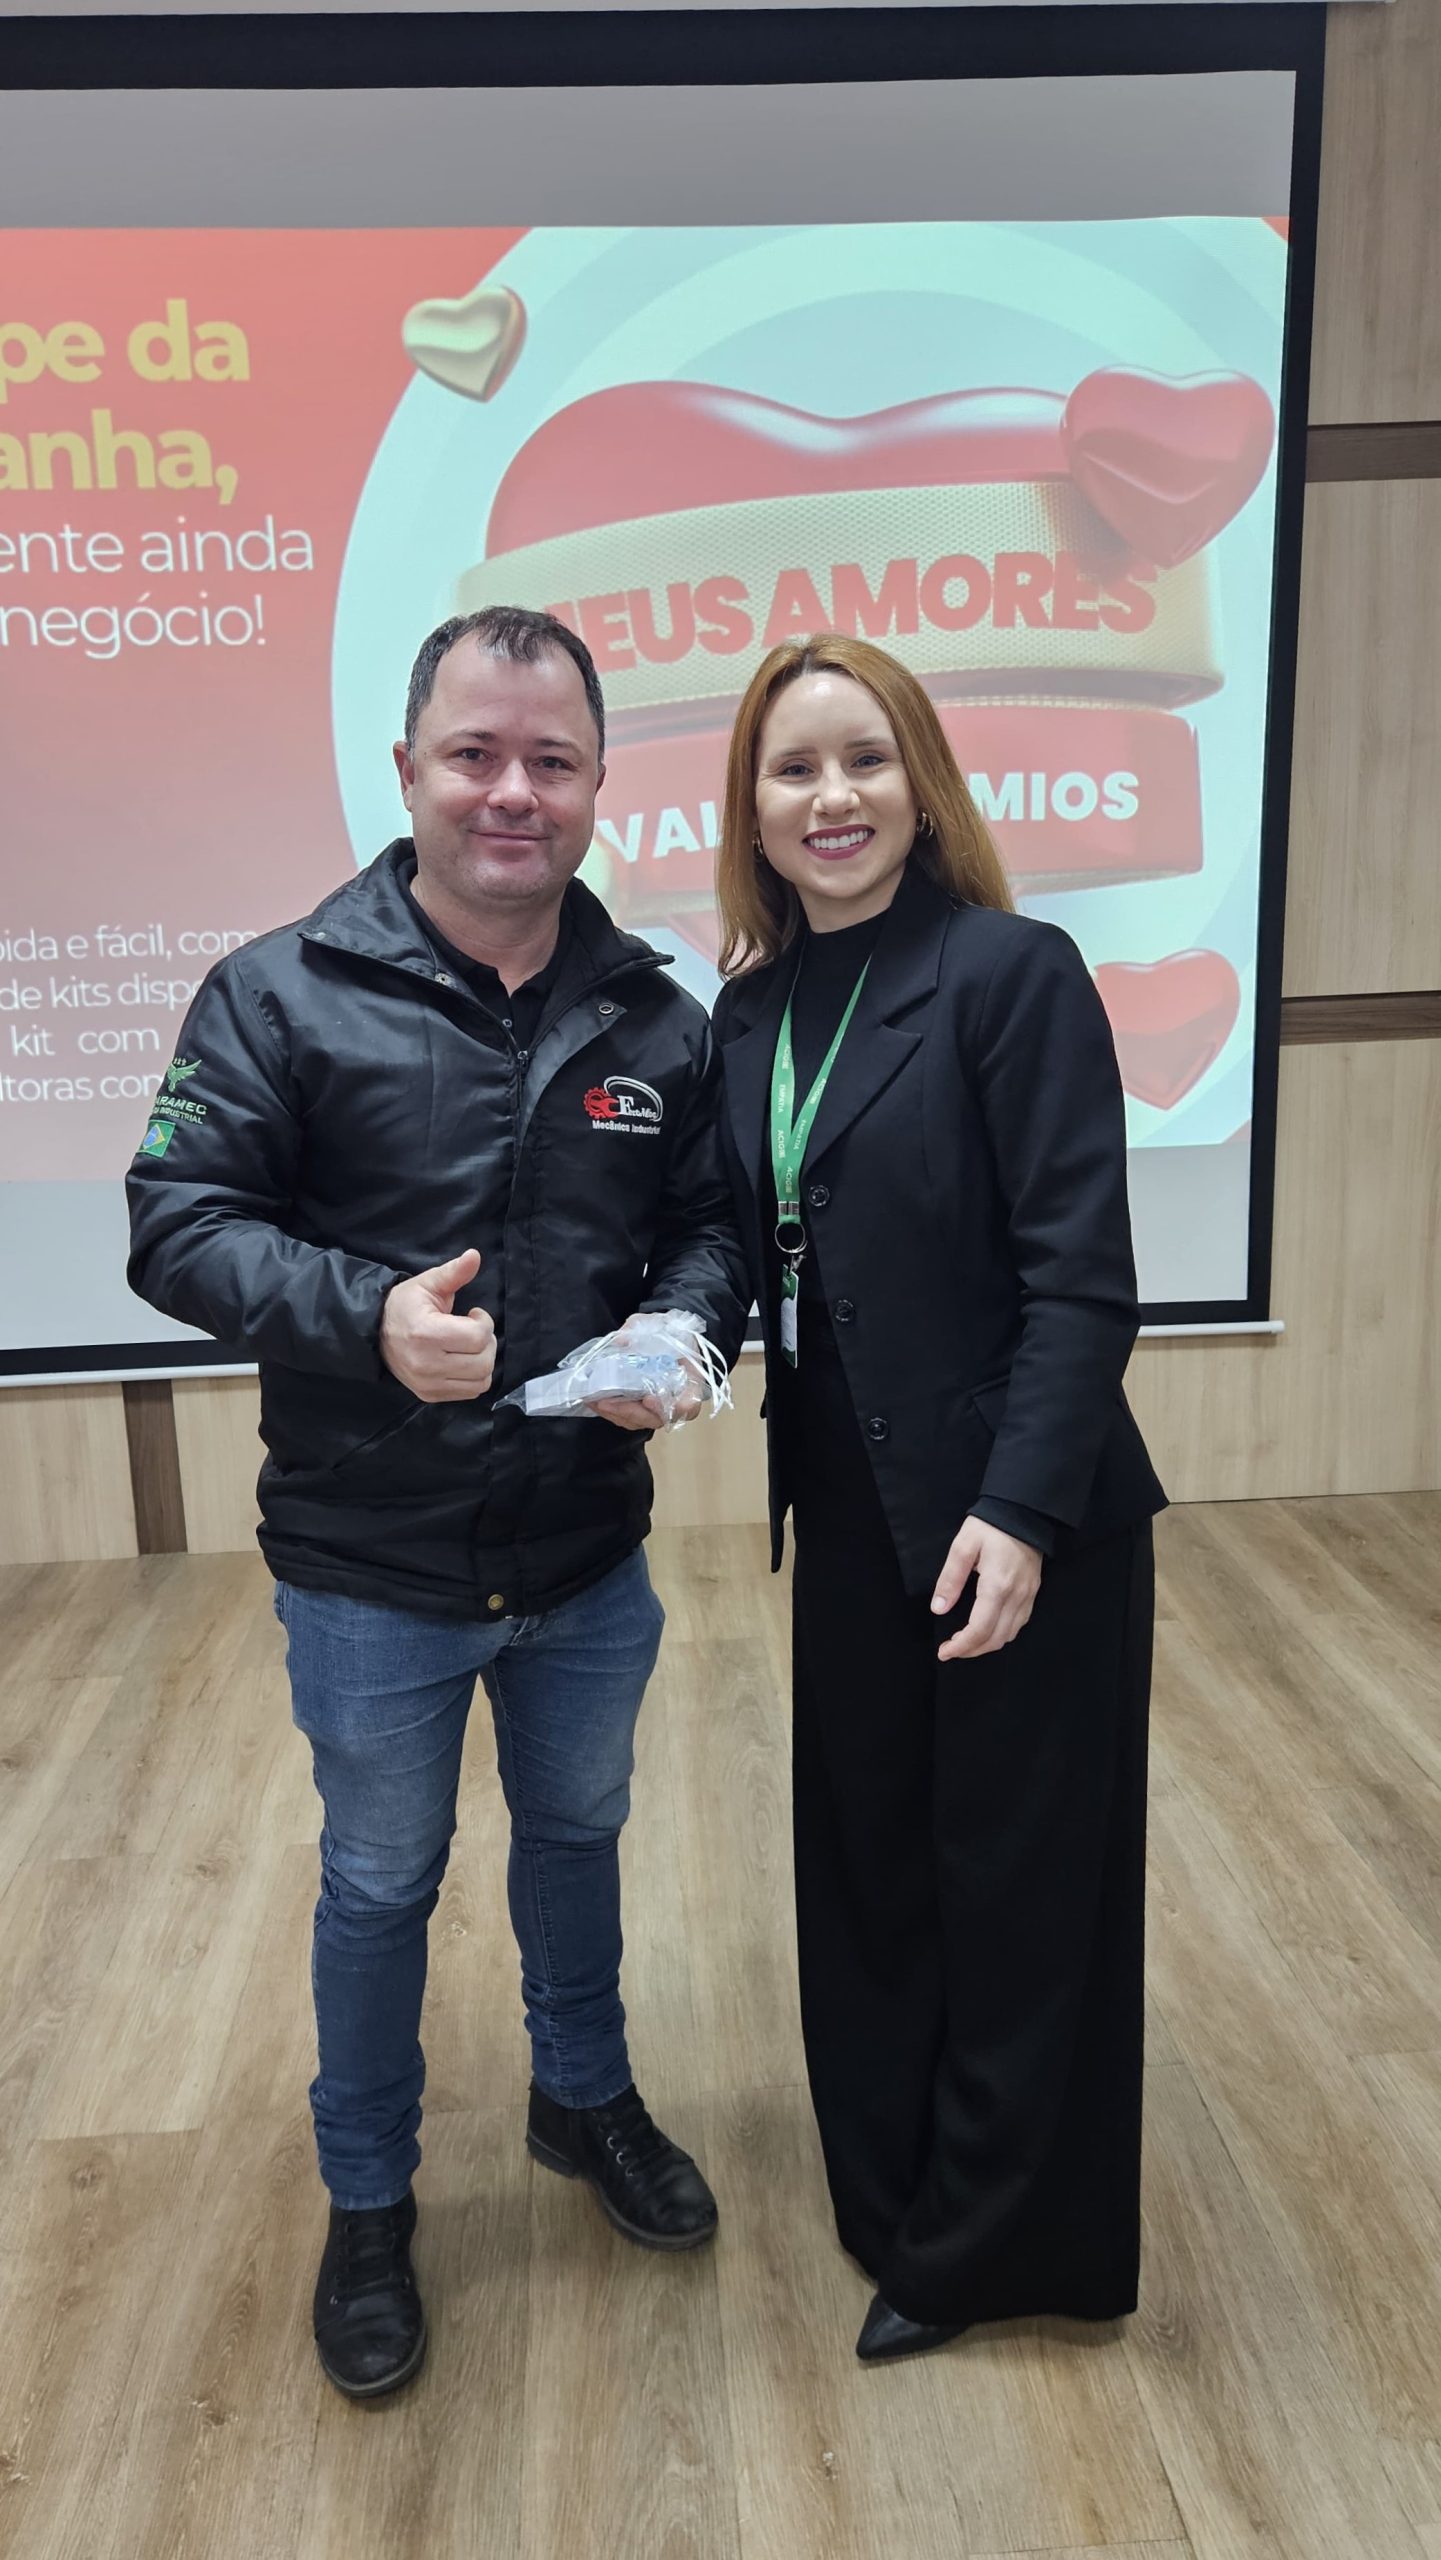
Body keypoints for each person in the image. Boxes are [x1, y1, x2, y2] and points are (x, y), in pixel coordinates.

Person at [127, 606, 748, 2400]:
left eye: (552, 760)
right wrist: (364, 1320)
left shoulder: (656, 1014)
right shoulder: (276, 991)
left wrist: (684, 1331)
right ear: (406, 768)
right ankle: (369, 2198)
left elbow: (712, 1228)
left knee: (577, 1837)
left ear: (599, 782)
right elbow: (178, 1223)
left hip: (583, 1551)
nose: (511, 792)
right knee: (381, 1882)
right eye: (475, 754)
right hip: (369, 1562)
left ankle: (582, 2098)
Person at [710, 633, 1166, 2364]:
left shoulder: (1008, 972)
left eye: (864, 758)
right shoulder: (747, 1012)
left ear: (922, 785)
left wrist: (1023, 1513)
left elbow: (1081, 1281)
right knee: (871, 1864)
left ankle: (993, 2248)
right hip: (849, 1504)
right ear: (750, 807)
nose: (830, 797)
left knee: (1020, 1889)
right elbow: (744, 1248)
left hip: (1016, 1513)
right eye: (793, 767)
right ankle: (890, 2187)